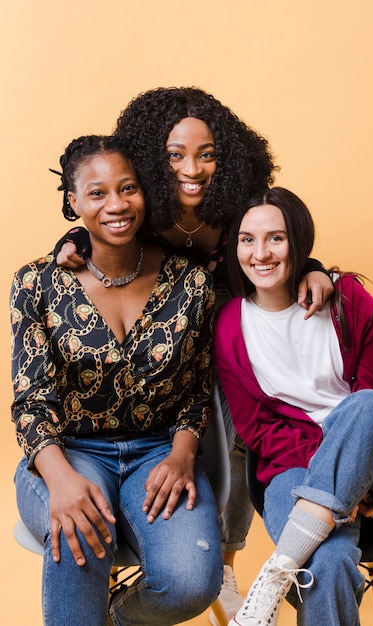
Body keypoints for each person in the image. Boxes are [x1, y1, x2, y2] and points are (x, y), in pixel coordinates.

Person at [53, 87, 335, 624]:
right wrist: (74, 239)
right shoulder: (140, 206)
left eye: (206, 154)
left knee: (245, 430)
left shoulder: (235, 207)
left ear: (226, 158)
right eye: (175, 154)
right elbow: (101, 226)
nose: (193, 168)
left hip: (232, 328)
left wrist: (314, 266)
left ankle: (226, 560)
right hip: (166, 344)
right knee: (198, 429)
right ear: (151, 159)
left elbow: (275, 240)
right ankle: (194, 554)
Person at [10, 134, 223, 626]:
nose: (117, 205)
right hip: (69, 451)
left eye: (128, 188)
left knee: (191, 582)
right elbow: (30, 400)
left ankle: (115, 620)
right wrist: (61, 480)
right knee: (79, 534)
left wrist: (182, 454)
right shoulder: (36, 282)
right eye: (98, 193)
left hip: (157, 452)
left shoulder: (191, 283)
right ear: (73, 200)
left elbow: (196, 390)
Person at [214, 186, 373, 626]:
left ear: (298, 243)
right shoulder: (230, 327)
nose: (260, 253)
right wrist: (341, 478)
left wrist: (358, 472)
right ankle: (282, 575)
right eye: (247, 239)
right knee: (325, 565)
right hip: (298, 473)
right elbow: (260, 431)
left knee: (365, 405)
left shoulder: (348, 300)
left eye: (276, 238)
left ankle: (275, 572)